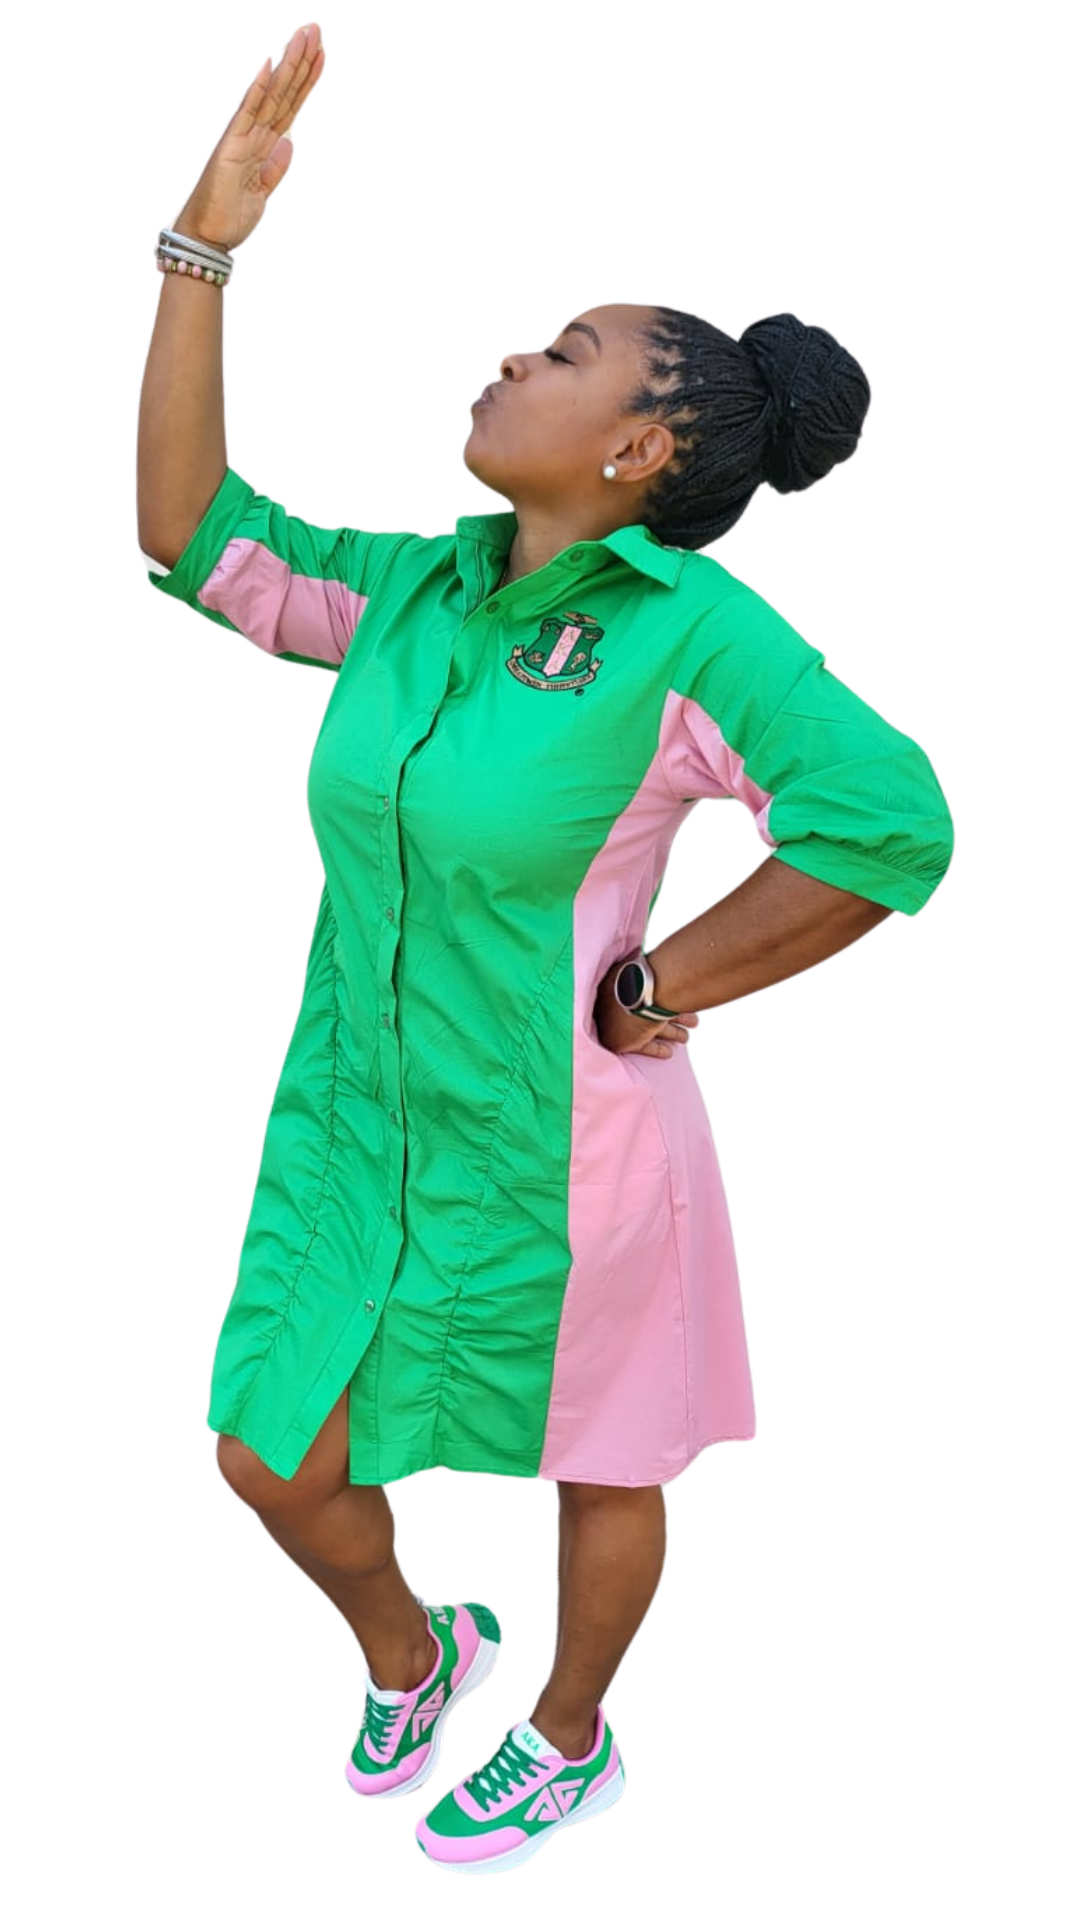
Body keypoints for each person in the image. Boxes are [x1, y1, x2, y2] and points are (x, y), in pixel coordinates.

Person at [135, 22, 955, 1877]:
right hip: (355, 1122)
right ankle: (415, 1654)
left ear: (641, 447)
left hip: (567, 1148)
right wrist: (203, 249)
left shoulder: (698, 635)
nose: (514, 354)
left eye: (565, 351)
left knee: (604, 1467)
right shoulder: (416, 590)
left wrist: (669, 987)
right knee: (269, 1456)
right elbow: (192, 543)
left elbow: (888, 822)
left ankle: (568, 1735)